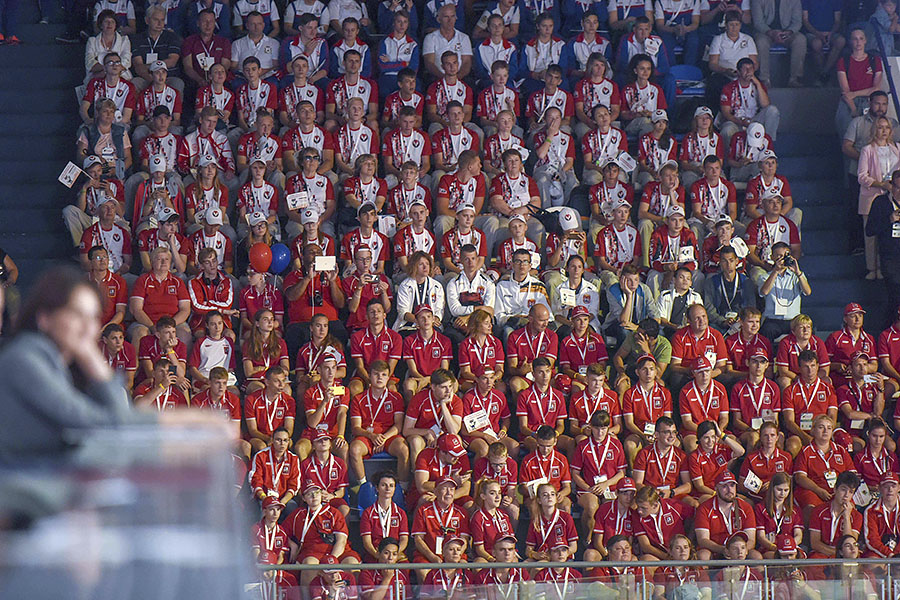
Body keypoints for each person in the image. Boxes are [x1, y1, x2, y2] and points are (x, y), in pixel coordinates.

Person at [282, 481, 359, 587]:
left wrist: (331, 560)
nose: (314, 496)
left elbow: (341, 541)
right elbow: (280, 532)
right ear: (303, 498)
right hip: (313, 553)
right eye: (309, 494)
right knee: (309, 566)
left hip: (337, 552)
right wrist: (291, 544)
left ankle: (353, 595)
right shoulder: (298, 515)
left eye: (317, 492)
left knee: (352, 564)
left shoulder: (333, 513)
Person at [571, 410, 626, 534]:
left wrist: (606, 484)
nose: (600, 433)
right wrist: (589, 488)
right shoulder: (583, 445)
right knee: (591, 507)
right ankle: (587, 538)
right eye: (596, 429)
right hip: (588, 488)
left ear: (608, 428)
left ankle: (608, 539)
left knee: (611, 507)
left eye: (603, 429)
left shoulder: (616, 445)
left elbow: (621, 472)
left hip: (609, 488)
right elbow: (575, 473)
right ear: (591, 427)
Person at [409, 475, 470, 577]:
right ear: (436, 491)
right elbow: (418, 539)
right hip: (429, 555)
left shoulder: (461, 513)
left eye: (451, 489)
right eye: (444, 489)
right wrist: (432, 557)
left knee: (464, 570)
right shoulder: (423, 510)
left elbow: (464, 540)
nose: (448, 493)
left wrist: (454, 557)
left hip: (454, 555)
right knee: (423, 571)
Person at [758, 242, 811, 342]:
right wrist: (775, 271)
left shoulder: (796, 276)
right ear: (772, 257)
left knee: (805, 330)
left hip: (793, 320)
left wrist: (798, 272)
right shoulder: (765, 277)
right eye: (779, 256)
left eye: (785, 256)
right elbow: (764, 292)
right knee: (766, 331)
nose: (782, 259)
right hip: (773, 320)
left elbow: (807, 292)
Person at [461, 364, 516, 458]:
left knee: (514, 447)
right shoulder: (469, 397)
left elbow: (506, 418)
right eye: (484, 378)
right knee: (483, 449)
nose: (489, 382)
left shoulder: (499, 396)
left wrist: (503, 429)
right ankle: (478, 468)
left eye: (491, 378)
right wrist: (484, 436)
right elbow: (464, 430)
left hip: (494, 434)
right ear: (477, 379)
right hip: (474, 435)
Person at [836, 29, 882, 138]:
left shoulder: (874, 60)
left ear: (865, 40)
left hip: (868, 100)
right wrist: (853, 109)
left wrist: (855, 93)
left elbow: (876, 89)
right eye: (855, 39)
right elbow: (845, 92)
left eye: (861, 38)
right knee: (846, 133)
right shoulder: (843, 61)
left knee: (870, 135)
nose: (858, 42)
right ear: (850, 41)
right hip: (849, 102)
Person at [808, 471, 863, 557]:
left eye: (851, 492)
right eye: (843, 489)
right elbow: (815, 543)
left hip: (844, 556)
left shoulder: (856, 516)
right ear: (835, 489)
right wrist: (837, 554)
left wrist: (846, 517)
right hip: (822, 554)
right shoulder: (819, 511)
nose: (846, 495)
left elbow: (850, 543)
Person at [867, 171, 900, 313]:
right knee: (895, 292)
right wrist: (889, 220)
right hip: (890, 256)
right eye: (897, 187)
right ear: (891, 186)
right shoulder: (881, 203)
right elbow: (870, 230)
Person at [752, 0, 805, 87]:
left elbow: (797, 22)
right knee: (761, 42)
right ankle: (764, 79)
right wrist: (771, 33)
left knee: (800, 40)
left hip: (787, 32)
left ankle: (795, 79)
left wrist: (789, 31)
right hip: (765, 32)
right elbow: (758, 22)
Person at [632, 484, 690, 561]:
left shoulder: (673, 506)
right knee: (646, 559)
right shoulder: (636, 515)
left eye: (643, 508)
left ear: (655, 505)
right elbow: (645, 546)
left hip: (679, 551)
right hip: (659, 556)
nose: (639, 511)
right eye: (638, 506)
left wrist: (689, 541)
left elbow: (694, 515)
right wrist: (668, 558)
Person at [359, 473, 409, 561]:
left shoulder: (401, 513)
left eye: (391, 486)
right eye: (383, 485)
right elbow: (367, 542)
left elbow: (404, 539)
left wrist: (393, 555)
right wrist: (377, 555)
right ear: (377, 488)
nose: (388, 488)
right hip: (375, 554)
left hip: (396, 554)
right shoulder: (368, 513)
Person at [249, 427, 301, 508]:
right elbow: (255, 481)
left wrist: (282, 503)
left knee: (292, 507)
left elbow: (294, 485)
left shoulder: (293, 459)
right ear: (272, 440)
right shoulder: (261, 456)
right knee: (262, 509)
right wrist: (265, 499)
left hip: (283, 499)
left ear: (289, 441)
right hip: (263, 497)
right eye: (278, 440)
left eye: (285, 440)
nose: (282, 443)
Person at [775, 314, 831, 389]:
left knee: (827, 380)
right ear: (793, 331)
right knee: (784, 381)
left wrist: (812, 380)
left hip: (813, 377)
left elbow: (825, 370)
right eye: (801, 327)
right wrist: (800, 380)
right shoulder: (785, 343)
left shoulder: (818, 342)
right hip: (793, 376)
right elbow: (783, 371)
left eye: (808, 327)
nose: (805, 330)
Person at [524, 483, 578, 559]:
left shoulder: (566, 517)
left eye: (552, 494)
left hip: (561, 557)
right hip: (543, 557)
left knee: (540, 566)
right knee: (526, 564)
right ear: (539, 500)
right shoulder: (536, 520)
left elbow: (574, 547)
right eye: (545, 495)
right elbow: (528, 549)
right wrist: (534, 554)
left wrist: (561, 554)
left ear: (556, 498)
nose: (549, 497)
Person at [470, 478, 515, 562]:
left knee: (515, 560)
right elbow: (480, 549)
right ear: (483, 496)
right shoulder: (478, 517)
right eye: (492, 493)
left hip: (505, 554)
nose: (497, 497)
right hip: (488, 557)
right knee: (479, 563)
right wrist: (492, 560)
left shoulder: (504, 515)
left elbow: (511, 542)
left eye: (499, 493)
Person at [854, 418, 899, 488]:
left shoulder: (891, 456)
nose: (878, 440)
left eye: (881, 436)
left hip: (888, 492)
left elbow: (897, 479)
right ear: (868, 434)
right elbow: (856, 482)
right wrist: (869, 487)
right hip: (868, 492)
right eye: (874, 436)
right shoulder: (860, 457)